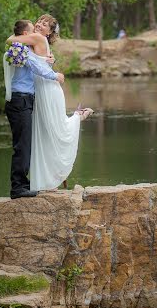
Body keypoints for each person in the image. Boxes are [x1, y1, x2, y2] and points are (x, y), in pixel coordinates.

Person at [7, 14, 93, 193]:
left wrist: (52, 72)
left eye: (45, 24)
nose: (39, 24)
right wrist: (51, 68)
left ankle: (77, 117)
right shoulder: (32, 43)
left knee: (52, 130)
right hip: (38, 92)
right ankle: (40, 181)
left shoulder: (36, 39)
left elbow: (11, 40)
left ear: (49, 33)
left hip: (46, 91)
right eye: (39, 21)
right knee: (44, 135)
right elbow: (32, 61)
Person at [4, 19, 65, 199]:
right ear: (25, 35)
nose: (35, 33)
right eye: (31, 31)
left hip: (23, 99)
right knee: (22, 145)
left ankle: (23, 183)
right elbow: (35, 66)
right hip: (20, 100)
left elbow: (36, 63)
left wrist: (46, 60)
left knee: (25, 144)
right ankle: (18, 187)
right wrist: (55, 75)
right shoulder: (20, 49)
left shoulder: (23, 49)